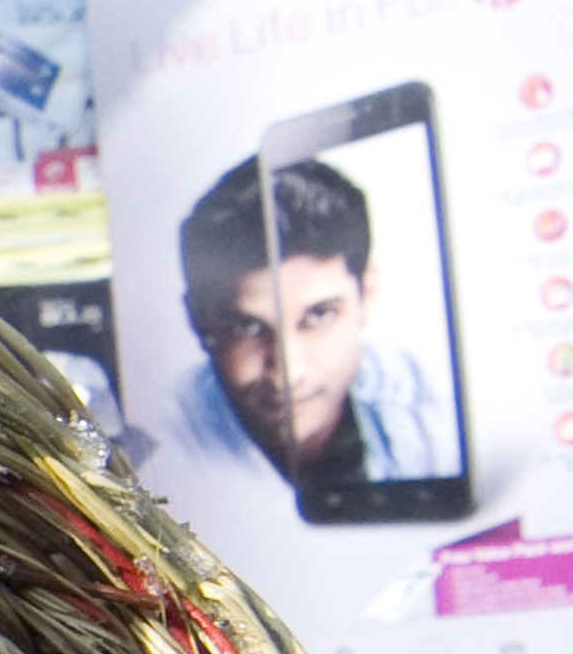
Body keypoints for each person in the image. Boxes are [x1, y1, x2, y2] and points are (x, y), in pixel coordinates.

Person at [167, 151, 445, 489]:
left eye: (319, 315)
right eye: (247, 327)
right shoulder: (163, 444)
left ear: (366, 294)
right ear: (198, 321)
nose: (287, 375)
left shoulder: (431, 399)